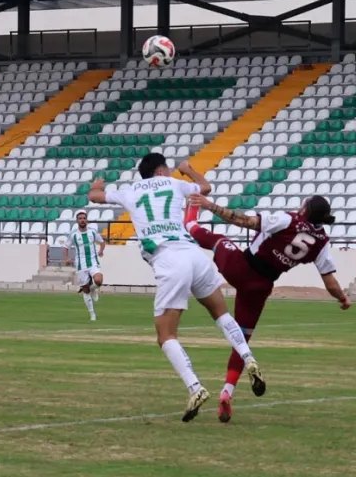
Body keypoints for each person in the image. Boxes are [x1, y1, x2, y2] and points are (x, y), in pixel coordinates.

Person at [87, 152, 262, 422]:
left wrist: (96, 186)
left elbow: (95, 198)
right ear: (160, 171)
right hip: (193, 254)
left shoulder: (130, 191)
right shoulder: (174, 184)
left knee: (165, 334)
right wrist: (187, 169)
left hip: (168, 258)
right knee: (221, 313)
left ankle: (195, 387)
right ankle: (248, 357)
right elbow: (205, 188)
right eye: (168, 169)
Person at [184, 194, 351, 423]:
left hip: (242, 267)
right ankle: (227, 393)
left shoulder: (288, 220)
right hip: (261, 287)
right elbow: (329, 281)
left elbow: (244, 221)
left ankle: (189, 222)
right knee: (241, 340)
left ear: (305, 209)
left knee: (217, 240)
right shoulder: (321, 242)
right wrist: (342, 298)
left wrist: (209, 205)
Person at [65, 210, 106, 321]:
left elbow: (102, 242)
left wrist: (101, 251)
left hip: (93, 261)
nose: (82, 220)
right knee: (85, 289)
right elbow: (65, 246)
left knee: (98, 280)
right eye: (80, 218)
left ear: (87, 220)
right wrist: (67, 258)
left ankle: (94, 289)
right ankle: (92, 314)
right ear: (77, 221)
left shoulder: (92, 232)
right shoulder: (73, 235)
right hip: (81, 264)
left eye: (84, 218)